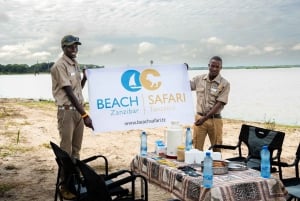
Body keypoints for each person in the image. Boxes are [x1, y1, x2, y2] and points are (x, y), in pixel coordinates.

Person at [50, 35, 94, 199]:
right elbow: (68, 93)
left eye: (76, 46)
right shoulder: (59, 66)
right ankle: (64, 186)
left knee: (76, 150)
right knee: (66, 152)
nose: (74, 49)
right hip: (67, 112)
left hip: (78, 111)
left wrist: (84, 79)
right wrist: (85, 114)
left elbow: (77, 91)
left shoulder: (75, 64)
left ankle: (74, 180)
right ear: (63, 48)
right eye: (70, 46)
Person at [190, 56, 230, 152]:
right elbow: (184, 86)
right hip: (199, 118)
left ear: (221, 68)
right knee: (196, 148)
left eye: (217, 67)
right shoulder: (199, 79)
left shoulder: (225, 84)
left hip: (215, 120)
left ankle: (217, 167)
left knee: (217, 148)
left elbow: (219, 104)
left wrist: (205, 118)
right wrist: (182, 71)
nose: (214, 69)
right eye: (212, 66)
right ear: (209, 66)